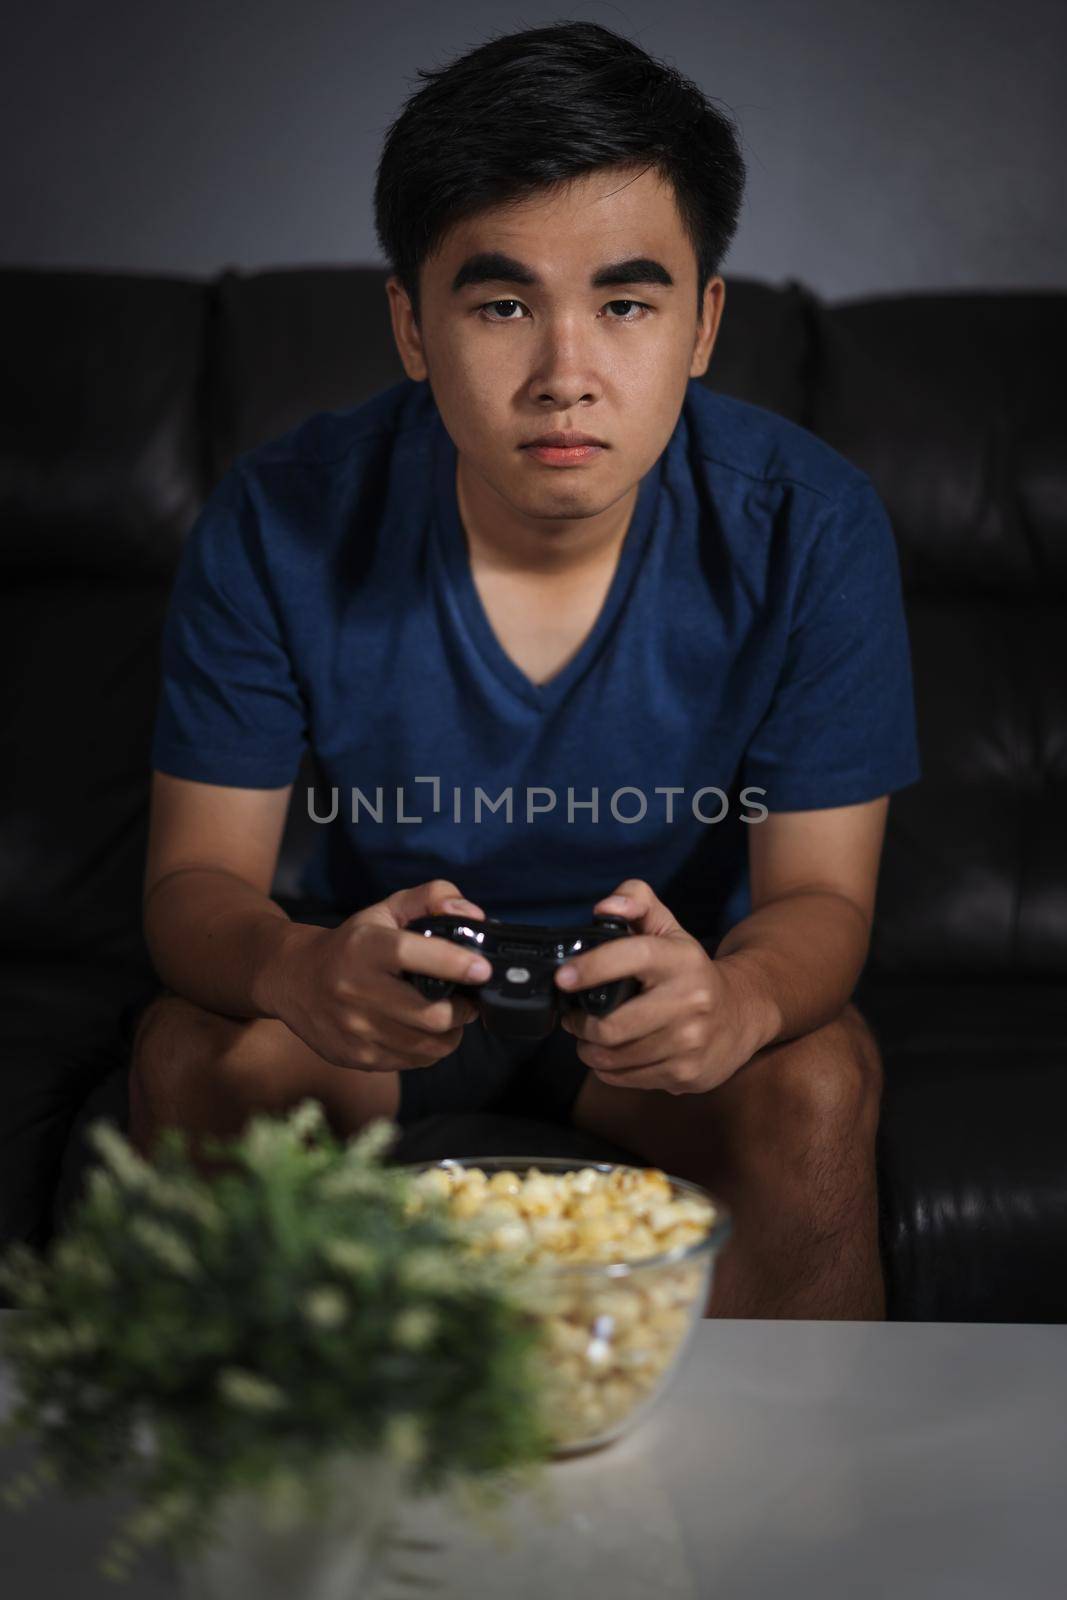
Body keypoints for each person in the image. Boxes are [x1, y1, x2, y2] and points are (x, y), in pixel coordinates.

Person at [128, 20, 920, 1319]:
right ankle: (265, 1510)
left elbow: (823, 903)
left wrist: (735, 997)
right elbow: (195, 882)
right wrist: (296, 971)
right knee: (192, 1053)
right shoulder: (279, 516)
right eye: (503, 305)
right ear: (411, 326)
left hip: (647, 1020)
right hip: (376, 1005)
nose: (567, 376)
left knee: (816, 1080)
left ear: (703, 323)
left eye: (625, 303)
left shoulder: (808, 523)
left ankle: (791, 1516)